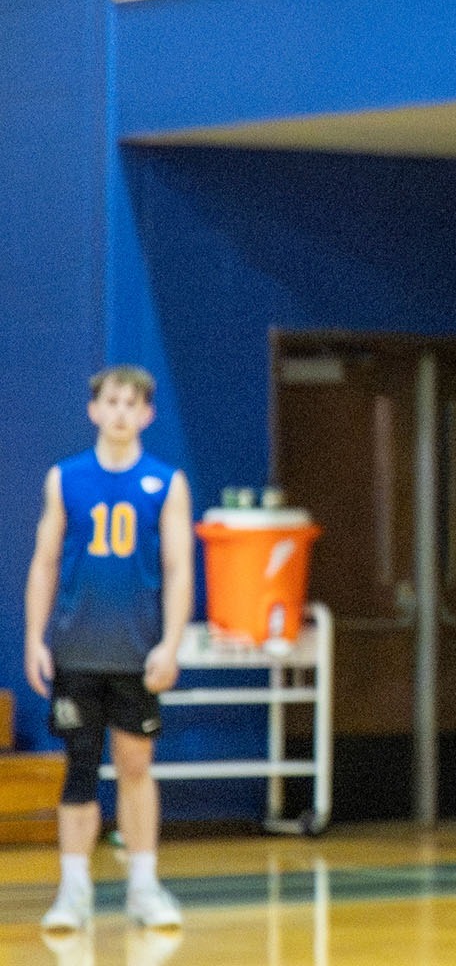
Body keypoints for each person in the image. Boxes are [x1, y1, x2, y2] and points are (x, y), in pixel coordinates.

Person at [26, 366, 191, 933]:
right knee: (78, 770)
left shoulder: (166, 482)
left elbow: (177, 567)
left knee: (136, 765)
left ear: (147, 415)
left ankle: (144, 888)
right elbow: (45, 562)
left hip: (135, 654)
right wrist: (34, 636)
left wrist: (170, 643)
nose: (120, 412)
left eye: (132, 404)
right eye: (111, 402)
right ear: (94, 410)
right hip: (77, 653)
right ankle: (73, 893)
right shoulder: (65, 478)